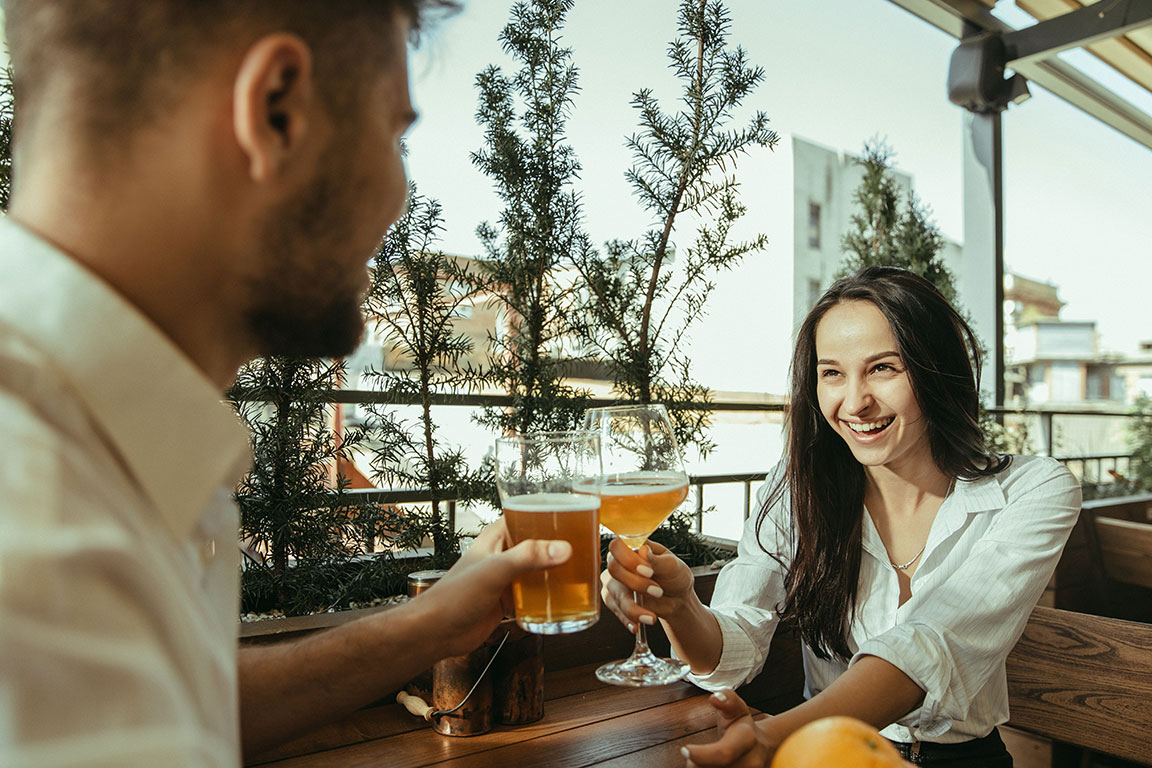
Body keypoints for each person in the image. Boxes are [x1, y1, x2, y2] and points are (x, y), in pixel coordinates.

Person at [0, 2, 573, 765]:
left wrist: (429, 622)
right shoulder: (41, 542)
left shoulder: (80, 475)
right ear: (277, 109)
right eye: (395, 134)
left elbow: (182, 700)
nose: (399, 193)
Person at [601, 266, 1081, 767]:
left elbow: (932, 643)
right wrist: (682, 608)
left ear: (936, 370)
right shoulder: (796, 485)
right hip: (827, 755)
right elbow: (738, 637)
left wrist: (777, 735)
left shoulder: (1033, 490)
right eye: (832, 373)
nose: (854, 402)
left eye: (883, 368)